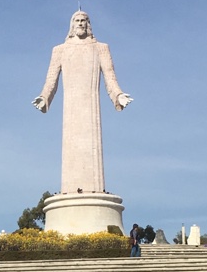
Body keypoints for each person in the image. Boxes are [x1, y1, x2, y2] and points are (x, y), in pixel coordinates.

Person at [32, 10, 132, 194]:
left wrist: (118, 95)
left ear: (89, 24)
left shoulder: (101, 48)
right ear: (71, 24)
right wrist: (44, 97)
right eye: (77, 20)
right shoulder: (60, 50)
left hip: (91, 106)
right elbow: (51, 79)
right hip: (70, 108)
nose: (80, 23)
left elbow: (110, 77)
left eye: (84, 20)